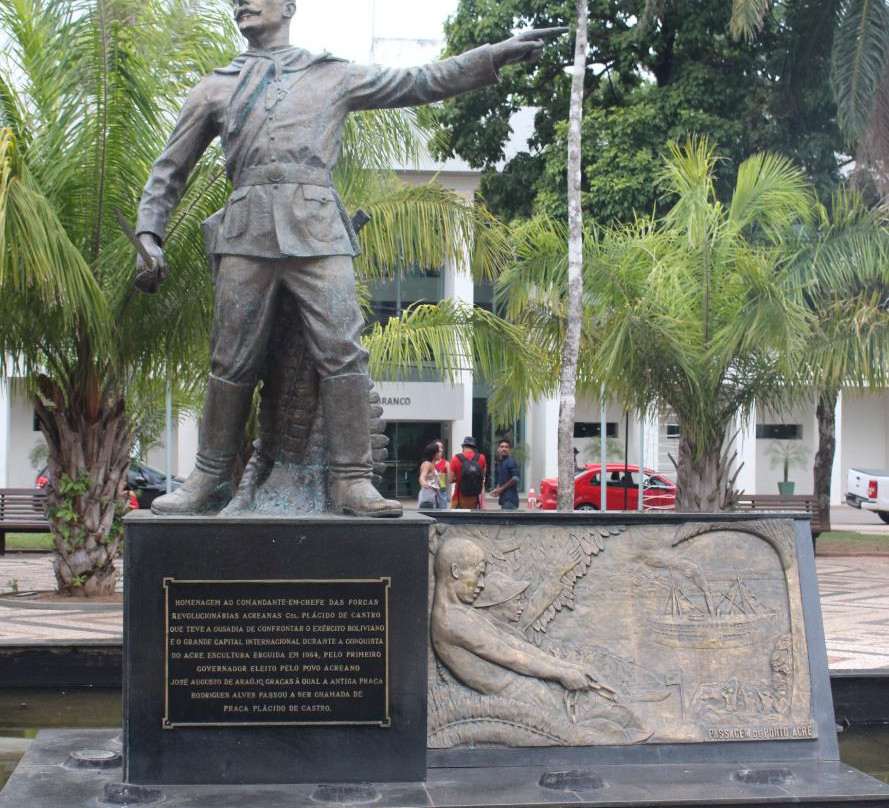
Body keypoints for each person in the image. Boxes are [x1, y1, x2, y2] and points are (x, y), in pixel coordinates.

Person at [133, 0, 566, 518]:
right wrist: (149, 233)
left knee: (343, 353)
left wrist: (491, 56)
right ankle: (206, 476)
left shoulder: (332, 76)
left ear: (289, 6)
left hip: (318, 232)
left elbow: (420, 81)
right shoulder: (214, 88)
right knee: (231, 362)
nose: (243, 3)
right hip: (246, 232)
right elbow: (169, 169)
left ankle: (351, 481)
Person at [448, 436, 486, 509]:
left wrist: (459, 478)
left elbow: (450, 480)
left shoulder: (455, 459)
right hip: (474, 499)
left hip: (458, 497)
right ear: (474, 447)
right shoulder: (481, 458)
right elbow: (483, 475)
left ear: (463, 446)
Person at [490, 439, 520, 510]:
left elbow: (515, 478)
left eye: (506, 447)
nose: (504, 449)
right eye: (502, 446)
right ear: (498, 449)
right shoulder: (500, 463)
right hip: (504, 500)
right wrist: (496, 490)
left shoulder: (511, 462)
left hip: (510, 500)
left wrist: (501, 489)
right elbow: (502, 480)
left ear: (509, 449)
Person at [417, 441, 443, 509]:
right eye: (438, 452)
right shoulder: (427, 464)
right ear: (434, 454)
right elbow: (423, 476)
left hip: (432, 498)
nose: (440, 453)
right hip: (427, 498)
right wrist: (423, 482)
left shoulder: (432, 465)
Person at [433, 439, 449, 509]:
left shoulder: (446, 463)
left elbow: (452, 478)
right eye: (438, 447)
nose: (440, 449)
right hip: (431, 490)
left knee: (443, 511)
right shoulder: (428, 462)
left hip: (442, 490)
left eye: (441, 447)